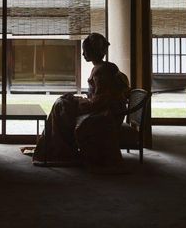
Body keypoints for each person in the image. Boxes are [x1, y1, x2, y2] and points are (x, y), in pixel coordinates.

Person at [32, 33, 130, 170]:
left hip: (105, 114)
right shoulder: (105, 67)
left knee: (61, 105)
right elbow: (99, 97)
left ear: (93, 51)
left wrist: (76, 101)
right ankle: (58, 146)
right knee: (62, 102)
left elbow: (98, 102)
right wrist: (76, 99)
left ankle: (60, 150)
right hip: (107, 109)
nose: (83, 54)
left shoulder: (101, 71)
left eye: (85, 50)